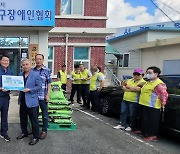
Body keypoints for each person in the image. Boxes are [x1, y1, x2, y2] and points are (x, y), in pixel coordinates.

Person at [17, 59, 42, 145]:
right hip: (22, 100)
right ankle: (24, 132)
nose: (25, 66)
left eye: (27, 64)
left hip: (32, 101)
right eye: (23, 65)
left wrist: (30, 90)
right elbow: (17, 85)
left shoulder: (36, 74)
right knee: (23, 119)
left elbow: (39, 87)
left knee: (33, 120)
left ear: (31, 65)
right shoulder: (20, 74)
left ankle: (36, 137)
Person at [139, 66, 168, 141]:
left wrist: (163, 104)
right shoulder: (148, 82)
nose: (148, 74)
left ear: (156, 74)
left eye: (150, 73)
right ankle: (145, 132)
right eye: (147, 73)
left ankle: (152, 135)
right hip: (145, 104)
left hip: (153, 105)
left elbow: (163, 95)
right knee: (145, 119)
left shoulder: (159, 84)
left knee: (152, 121)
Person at [33, 54, 52, 139]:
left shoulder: (47, 70)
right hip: (34, 96)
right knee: (34, 114)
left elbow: (49, 83)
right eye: (37, 59)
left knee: (44, 114)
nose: (38, 61)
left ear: (43, 60)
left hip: (43, 96)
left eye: (40, 59)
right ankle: (35, 129)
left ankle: (44, 130)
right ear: (35, 60)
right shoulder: (32, 70)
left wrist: (48, 95)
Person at [0, 55, 13, 142]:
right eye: (4, 60)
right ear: (0, 61)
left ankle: (4, 132)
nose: (6, 62)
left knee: (4, 115)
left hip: (5, 97)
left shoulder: (10, 72)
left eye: (7, 61)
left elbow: (13, 84)